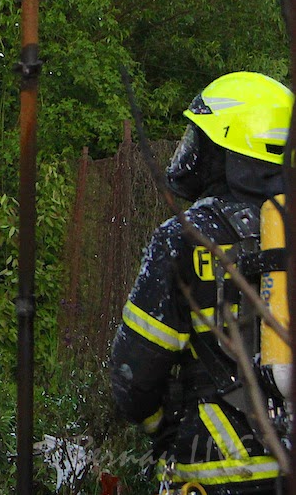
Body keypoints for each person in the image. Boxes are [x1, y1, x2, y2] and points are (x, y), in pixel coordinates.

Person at [109, 72, 292, 493]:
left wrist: (163, 426)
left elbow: (132, 377)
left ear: (226, 151)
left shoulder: (185, 236)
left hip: (219, 470)